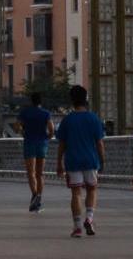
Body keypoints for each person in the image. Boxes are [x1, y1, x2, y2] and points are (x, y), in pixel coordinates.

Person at [54, 86, 106, 238]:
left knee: (76, 193)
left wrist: (59, 163)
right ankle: (89, 218)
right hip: (91, 161)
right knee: (92, 190)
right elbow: (100, 144)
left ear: (72, 100)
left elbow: (62, 144)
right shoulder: (94, 119)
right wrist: (102, 160)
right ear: (86, 99)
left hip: (73, 161)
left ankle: (77, 227)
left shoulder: (67, 120)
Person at [18, 93, 54, 212]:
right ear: (40, 102)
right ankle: (38, 197)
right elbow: (51, 129)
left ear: (31, 101)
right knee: (40, 174)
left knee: (31, 172)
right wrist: (48, 137)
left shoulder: (25, 112)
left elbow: (18, 127)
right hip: (42, 144)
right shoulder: (45, 113)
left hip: (29, 142)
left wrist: (24, 132)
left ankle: (34, 195)